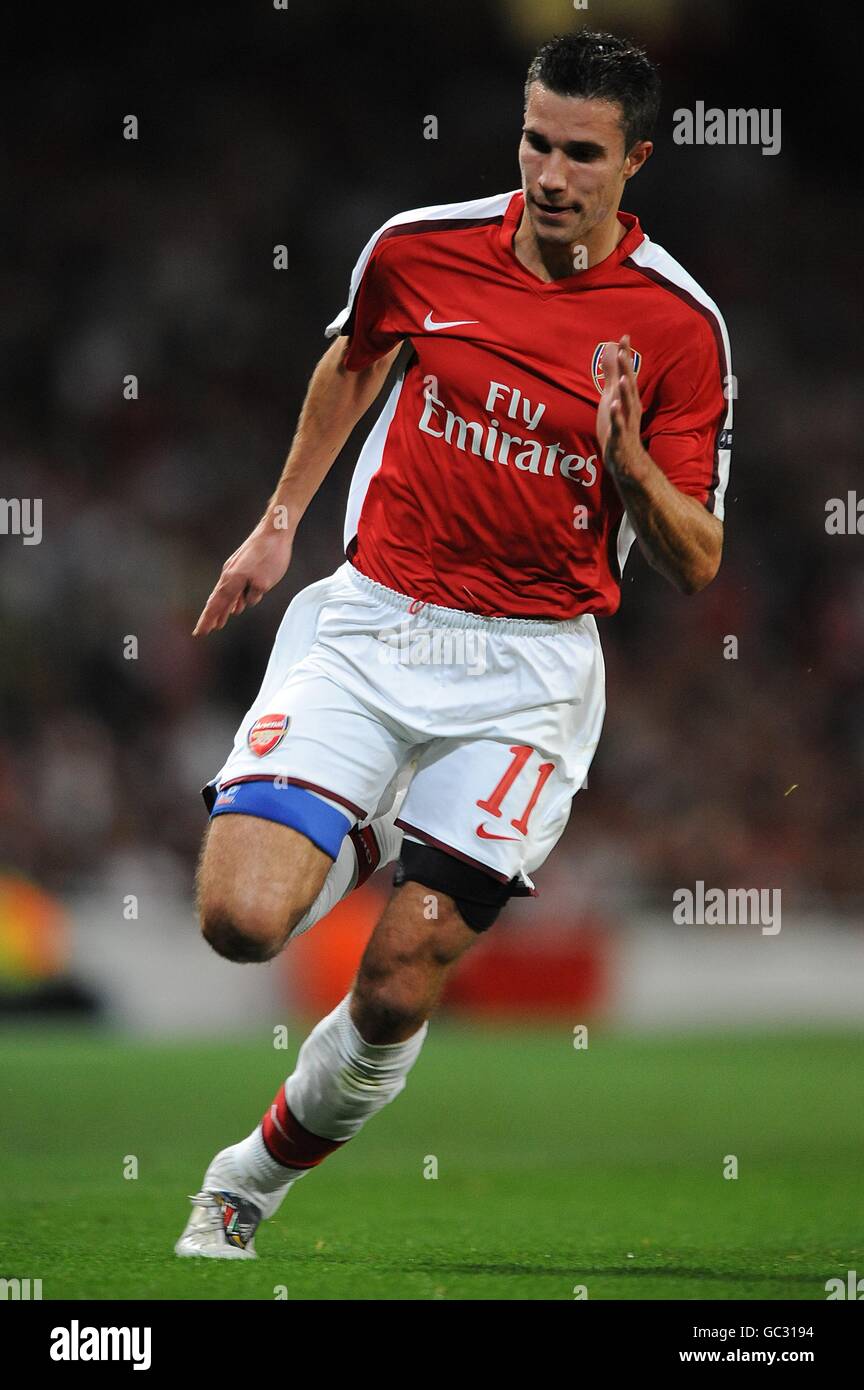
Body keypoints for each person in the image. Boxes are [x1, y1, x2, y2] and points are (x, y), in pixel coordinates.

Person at [176, 28, 732, 1258]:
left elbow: (697, 559)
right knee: (240, 919)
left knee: (395, 975)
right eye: (536, 139)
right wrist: (276, 529)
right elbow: (354, 357)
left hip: (528, 669)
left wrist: (630, 460)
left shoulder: (680, 330)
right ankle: (366, 812)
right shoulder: (419, 247)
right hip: (374, 620)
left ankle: (247, 1179)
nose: (550, 172)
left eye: (583, 153)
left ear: (634, 159)